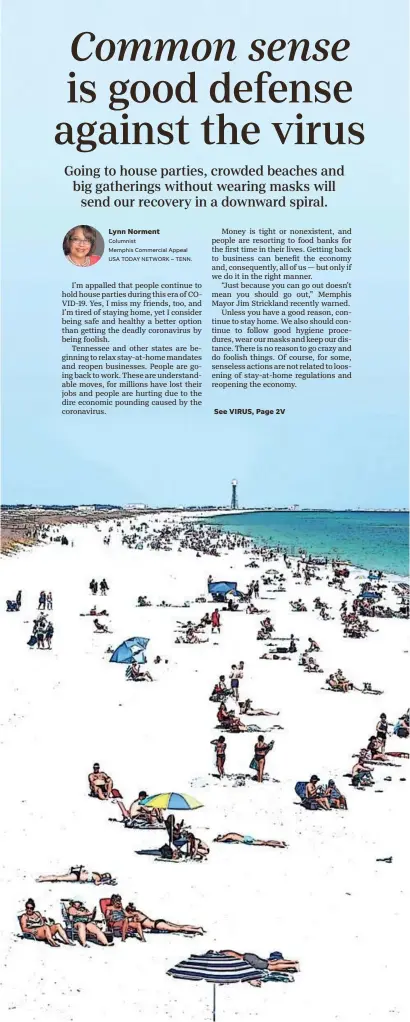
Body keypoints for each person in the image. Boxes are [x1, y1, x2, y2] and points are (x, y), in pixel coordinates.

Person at [104, 894, 204, 939]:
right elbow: (126, 916)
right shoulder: (136, 913)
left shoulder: (134, 914)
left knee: (177, 929)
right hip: (157, 922)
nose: (120, 904)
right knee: (178, 926)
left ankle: (197, 930)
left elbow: (127, 916)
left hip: (156, 925)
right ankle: (196, 928)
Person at [221, 949, 299, 982]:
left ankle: (294, 965)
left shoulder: (222, 957)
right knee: (271, 963)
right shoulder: (224, 952)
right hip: (248, 956)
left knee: (271, 967)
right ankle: (293, 962)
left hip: (249, 960)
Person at [36, 867, 115, 885]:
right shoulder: (98, 877)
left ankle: (43, 878)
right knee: (58, 878)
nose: (104, 875)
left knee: (59, 877)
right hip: (77, 876)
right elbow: (97, 883)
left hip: (78, 872)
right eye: (106, 875)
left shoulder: (97, 874)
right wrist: (105, 882)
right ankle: (42, 879)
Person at [215, 833, 286, 848]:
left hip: (246, 840)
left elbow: (222, 840)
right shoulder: (230, 834)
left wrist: (218, 840)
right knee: (264, 842)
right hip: (246, 838)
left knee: (264, 843)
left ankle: (279, 844)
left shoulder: (228, 835)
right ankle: (278, 842)